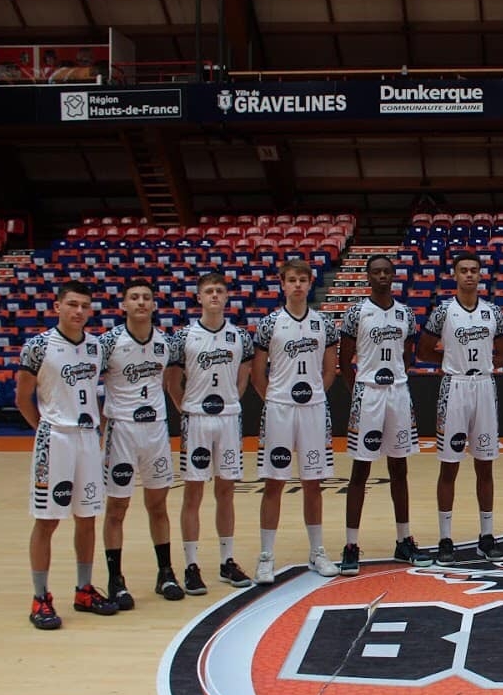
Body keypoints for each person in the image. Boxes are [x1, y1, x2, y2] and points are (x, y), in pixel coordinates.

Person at [16, 279, 117, 629]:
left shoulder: (96, 347)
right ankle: (40, 596)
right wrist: (45, 429)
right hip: (55, 438)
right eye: (72, 304)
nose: (78, 311)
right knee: (47, 520)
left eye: (84, 306)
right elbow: (22, 398)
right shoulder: (38, 346)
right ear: (57, 306)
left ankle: (84, 589)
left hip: (88, 438)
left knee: (87, 518)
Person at [337, 254, 428, 573]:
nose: (382, 276)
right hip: (368, 393)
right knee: (360, 470)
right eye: (376, 272)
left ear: (393, 275)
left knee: (399, 468)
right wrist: (360, 391)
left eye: (386, 271)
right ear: (368, 276)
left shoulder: (406, 313)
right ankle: (350, 545)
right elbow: (345, 359)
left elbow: (408, 356)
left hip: (398, 394)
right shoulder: (355, 313)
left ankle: (404, 541)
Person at [165, 272, 254, 596]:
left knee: (226, 492)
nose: (214, 296)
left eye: (219, 291)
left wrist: (230, 403)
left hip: (229, 419)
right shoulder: (183, 337)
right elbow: (172, 382)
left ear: (227, 297)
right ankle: (190, 564)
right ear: (199, 298)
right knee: (193, 493)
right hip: (197, 420)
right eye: (209, 291)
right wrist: (186, 408)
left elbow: (243, 378)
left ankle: (227, 559)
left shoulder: (240, 337)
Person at [418, 252, 503, 564]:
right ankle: (446, 538)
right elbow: (424, 350)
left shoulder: (493, 312)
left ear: (480, 275)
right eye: (464, 270)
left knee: (485, 465)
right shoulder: (443, 312)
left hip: (484, 387)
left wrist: (484, 366)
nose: (469, 275)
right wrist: (450, 366)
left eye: (474, 270)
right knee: (449, 465)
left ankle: (487, 536)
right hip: (454, 388)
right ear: (454, 275)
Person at [251, 260, 338, 583]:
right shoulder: (269, 323)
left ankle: (317, 551)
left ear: (311, 283)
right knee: (274, 482)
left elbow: (330, 369)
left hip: (313, 409)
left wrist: (314, 395)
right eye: (292, 280)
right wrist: (275, 400)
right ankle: (266, 555)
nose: (298, 285)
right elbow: (259, 375)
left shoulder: (323, 323)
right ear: (282, 284)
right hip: (279, 410)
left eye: (303, 279)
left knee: (313, 483)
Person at [98, 278, 175, 608]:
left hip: (155, 430)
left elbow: (170, 384)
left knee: (158, 505)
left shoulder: (164, 342)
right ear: (124, 305)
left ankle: (166, 573)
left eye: (146, 297)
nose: (141, 302)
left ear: (154, 305)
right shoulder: (108, 342)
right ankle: (116, 579)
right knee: (117, 508)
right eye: (135, 297)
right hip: (122, 431)